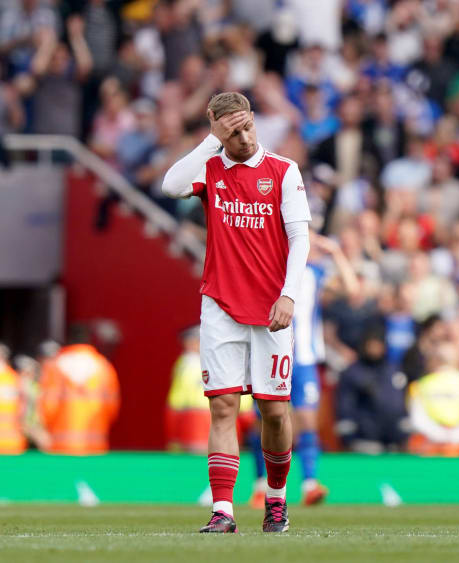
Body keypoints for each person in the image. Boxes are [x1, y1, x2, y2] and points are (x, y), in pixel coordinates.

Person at [162, 91, 311, 533]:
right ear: (216, 128)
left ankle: (277, 501)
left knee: (275, 412)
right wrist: (212, 140)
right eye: (233, 131)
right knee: (224, 406)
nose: (244, 137)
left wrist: (288, 295)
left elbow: (300, 238)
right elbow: (171, 186)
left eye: (248, 126)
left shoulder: (283, 170)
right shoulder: (209, 167)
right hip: (221, 304)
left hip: (271, 308)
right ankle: (223, 510)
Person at [249, 233, 358, 508]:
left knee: (308, 421)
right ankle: (260, 486)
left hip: (305, 360)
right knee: (263, 421)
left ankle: (310, 485)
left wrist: (336, 252)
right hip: (269, 354)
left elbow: (352, 290)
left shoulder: (314, 273)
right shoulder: (270, 267)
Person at [38, 326, 120, 455]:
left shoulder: (54, 366)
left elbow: (48, 406)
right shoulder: (103, 367)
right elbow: (112, 407)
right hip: (95, 444)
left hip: (60, 445)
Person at [165, 326, 211, 453]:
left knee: (195, 451)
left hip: (197, 413)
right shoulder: (188, 361)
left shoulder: (193, 361)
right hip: (187, 413)